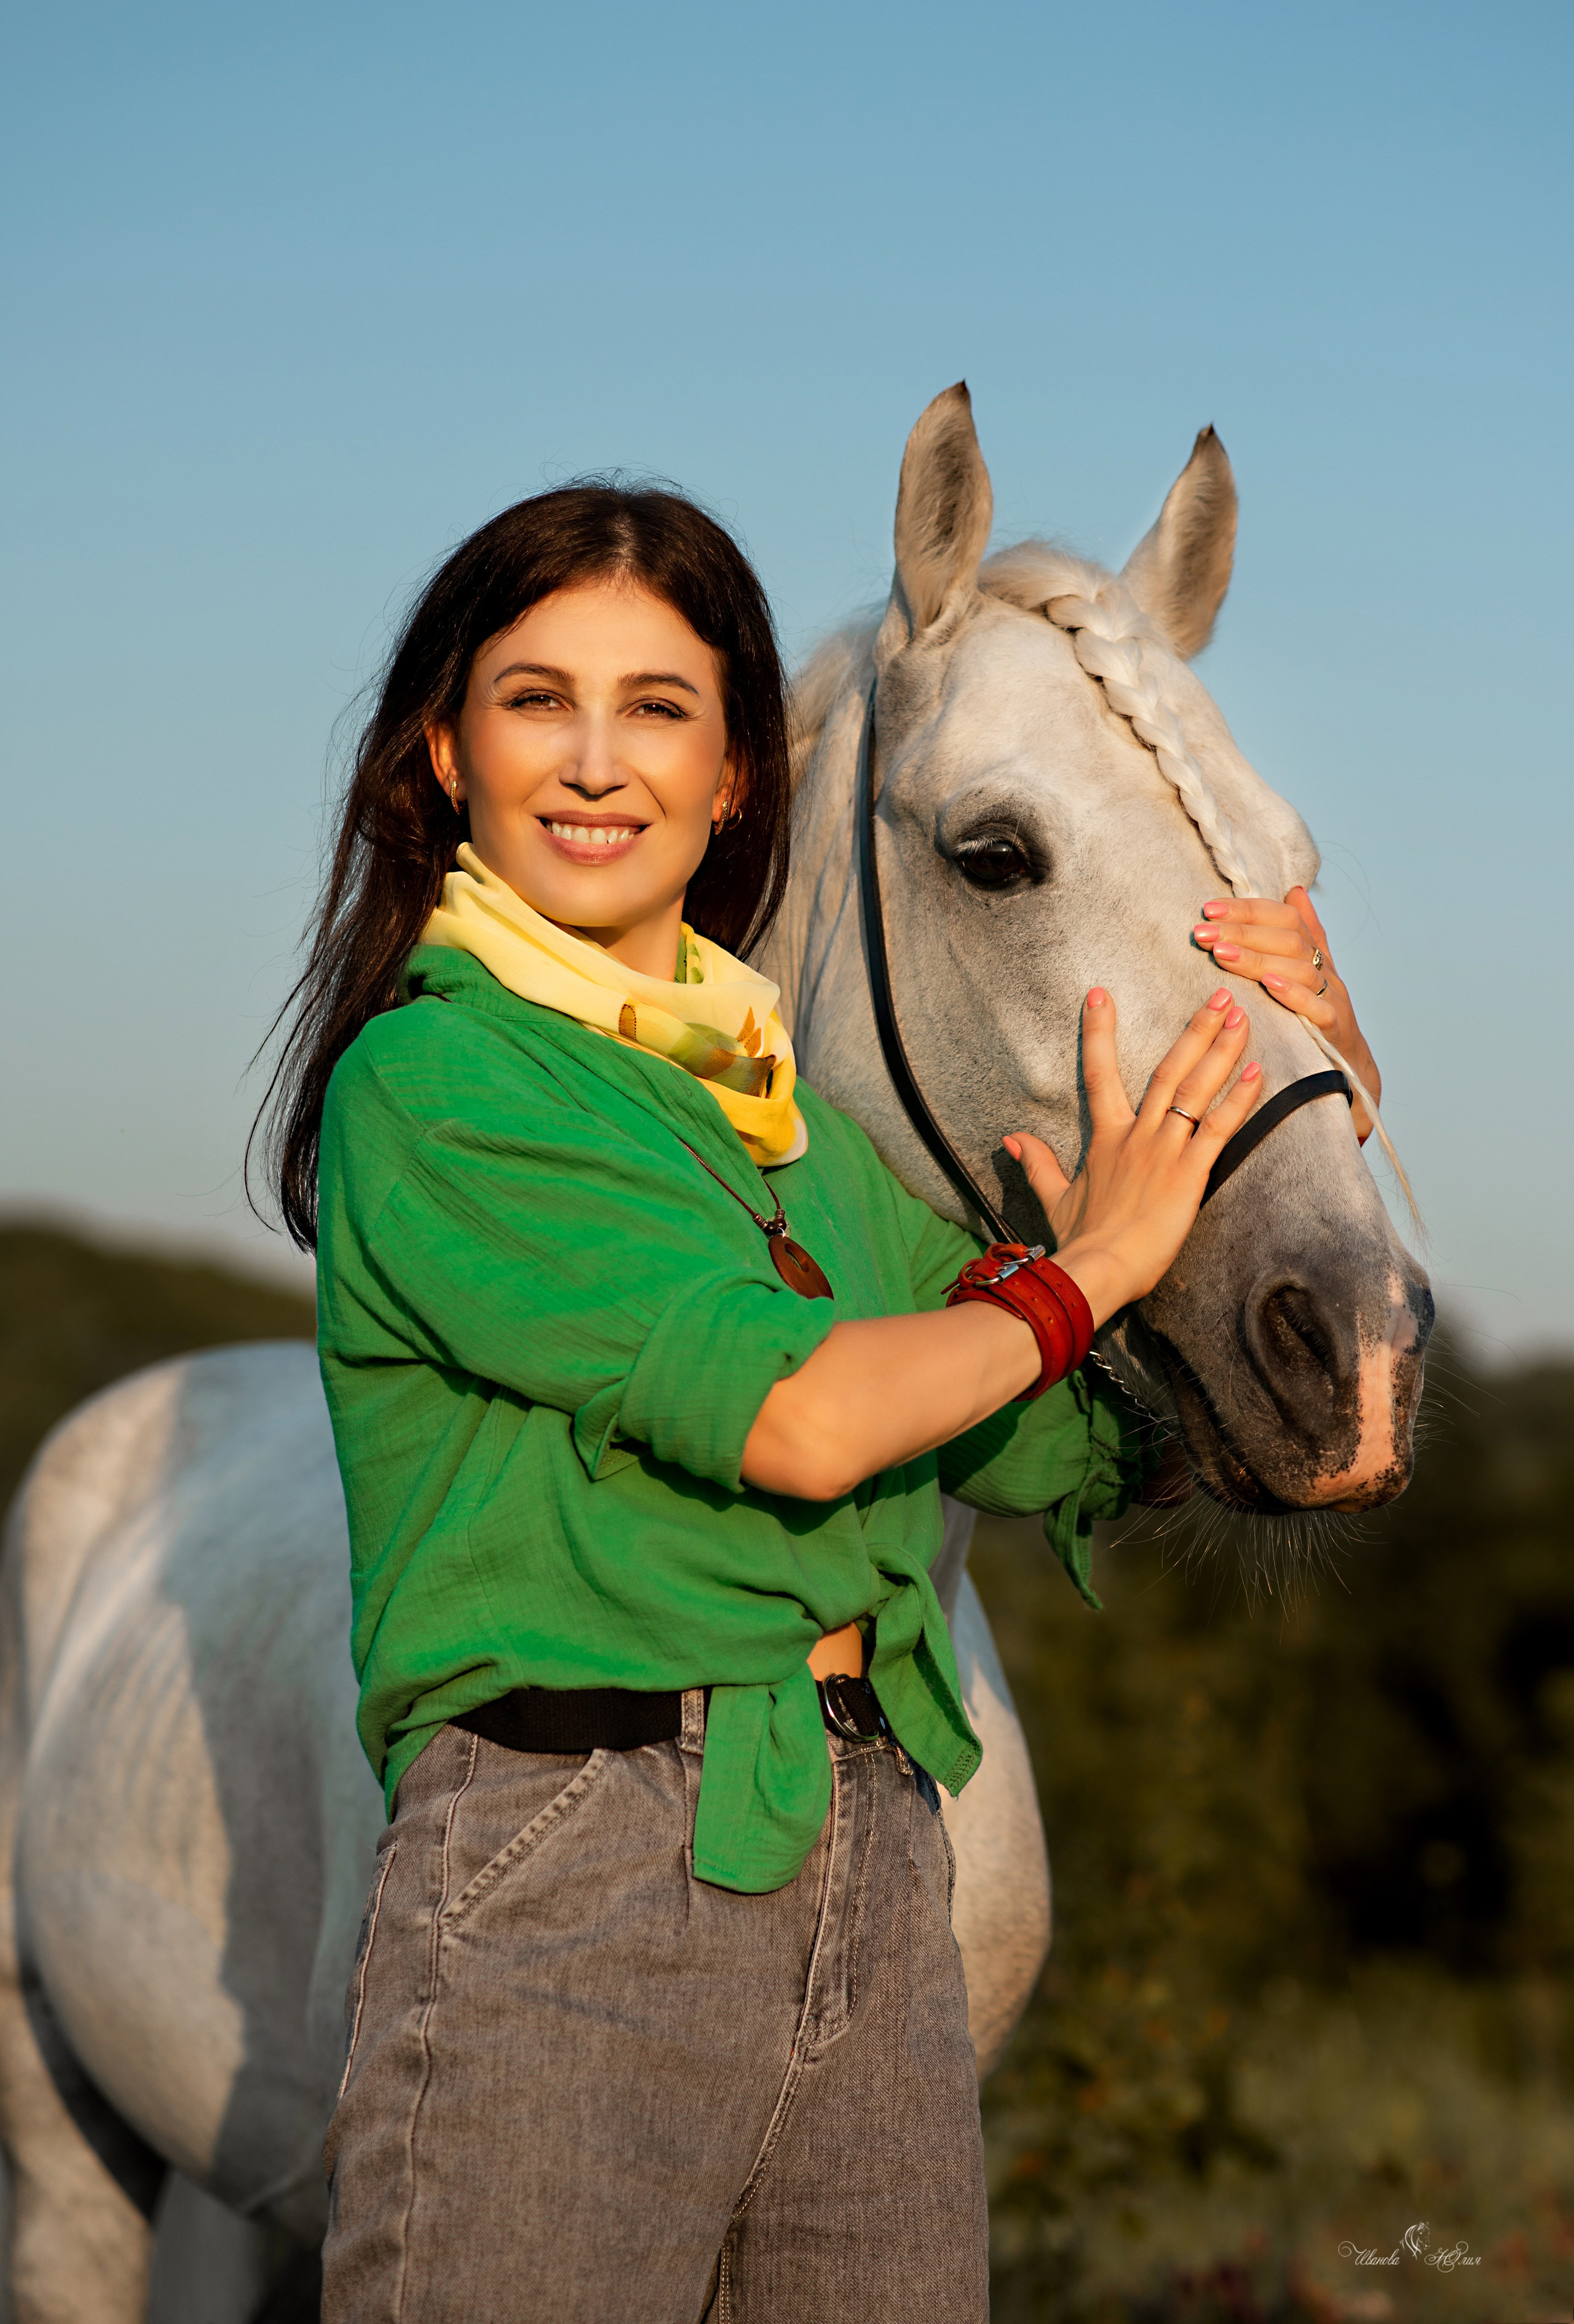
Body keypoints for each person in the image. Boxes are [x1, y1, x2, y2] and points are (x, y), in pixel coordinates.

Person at [263, 480, 1380, 2323]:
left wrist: (1312, 1166)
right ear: (443, 756)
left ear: (732, 781)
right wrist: (1079, 1274)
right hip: (576, 1860)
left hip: (874, 1857)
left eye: (662, 706)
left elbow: (1039, 1422)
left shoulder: (792, 1137)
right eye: (539, 698)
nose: (600, 759)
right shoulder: (441, 1081)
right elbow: (799, 1414)